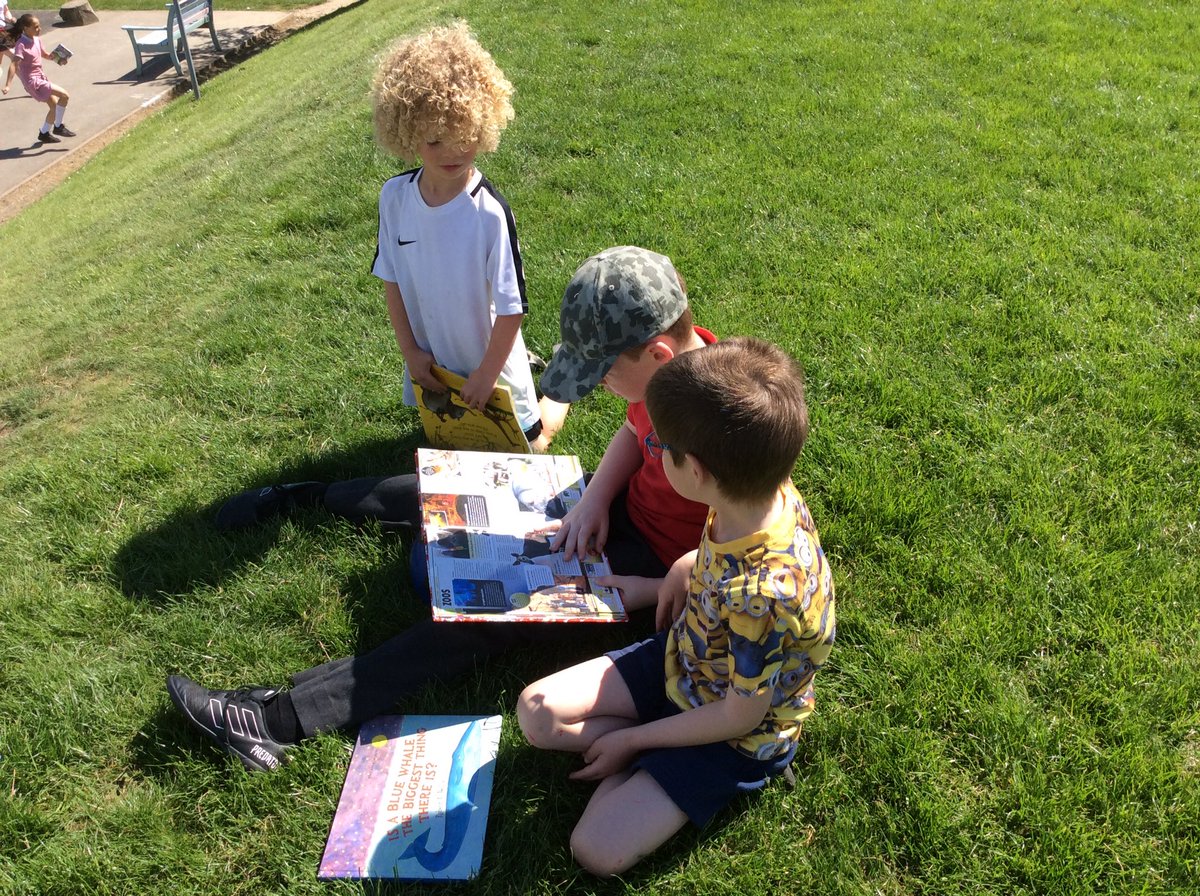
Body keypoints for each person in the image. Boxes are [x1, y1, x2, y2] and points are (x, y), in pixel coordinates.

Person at [167, 246, 719, 771]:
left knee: (491, 611)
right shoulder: (664, 381)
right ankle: (306, 496)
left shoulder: (726, 423)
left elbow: (761, 544)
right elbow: (632, 430)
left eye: (601, 374)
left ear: (657, 354)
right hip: (610, 514)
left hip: (646, 567)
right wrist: (595, 498)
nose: (598, 387)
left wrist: (667, 578)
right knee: (462, 487)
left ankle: (278, 718)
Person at [517, 337, 836, 877]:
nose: (653, 450)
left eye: (661, 446)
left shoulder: (764, 598)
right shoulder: (760, 486)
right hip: (685, 655)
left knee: (594, 849)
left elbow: (740, 713)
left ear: (699, 473)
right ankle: (651, 760)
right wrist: (680, 570)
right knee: (536, 711)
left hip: (732, 732)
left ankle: (662, 760)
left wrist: (630, 740)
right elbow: (726, 551)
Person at [369, 21, 565, 451]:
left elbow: (512, 308)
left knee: (534, 446)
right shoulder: (394, 199)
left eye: (465, 137)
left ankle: (557, 386)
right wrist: (410, 352)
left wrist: (486, 376)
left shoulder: (489, 214)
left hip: (490, 365)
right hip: (434, 364)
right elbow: (393, 281)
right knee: (448, 446)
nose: (453, 153)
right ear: (406, 132)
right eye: (435, 140)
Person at [3, 15, 76, 143]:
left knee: (54, 106)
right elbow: (14, 64)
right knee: (64, 95)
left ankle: (44, 133)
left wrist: (59, 58)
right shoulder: (21, 44)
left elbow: (46, 55)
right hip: (33, 82)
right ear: (25, 28)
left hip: (41, 77)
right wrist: (8, 85)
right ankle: (59, 127)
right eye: (35, 27)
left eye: (39, 26)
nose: (39, 29)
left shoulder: (36, 40)